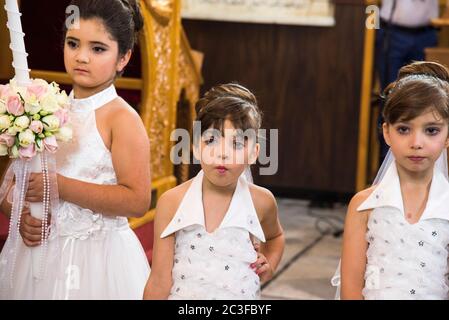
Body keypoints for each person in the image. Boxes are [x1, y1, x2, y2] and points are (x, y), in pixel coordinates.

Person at [0, 0, 151, 299]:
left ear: (123, 58)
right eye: (73, 43)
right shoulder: (45, 107)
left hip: (96, 258)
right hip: (39, 254)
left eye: (97, 49)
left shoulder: (121, 118)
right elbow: (12, 183)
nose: (82, 57)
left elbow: (137, 200)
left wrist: (59, 187)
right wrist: (19, 218)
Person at [143, 83, 285, 299]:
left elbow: (275, 237)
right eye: (211, 140)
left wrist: (269, 265)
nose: (222, 153)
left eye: (236, 144)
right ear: (195, 147)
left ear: (254, 153)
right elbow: (159, 279)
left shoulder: (261, 201)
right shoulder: (172, 202)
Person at [334, 61, 449, 299]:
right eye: (404, 129)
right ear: (387, 132)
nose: (417, 142)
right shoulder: (364, 206)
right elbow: (351, 290)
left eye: (431, 130)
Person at [376, 0, 443, 161]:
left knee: (428, 98)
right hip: (392, 32)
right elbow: (370, 7)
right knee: (390, 98)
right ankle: (387, 160)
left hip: (426, 34)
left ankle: (423, 160)